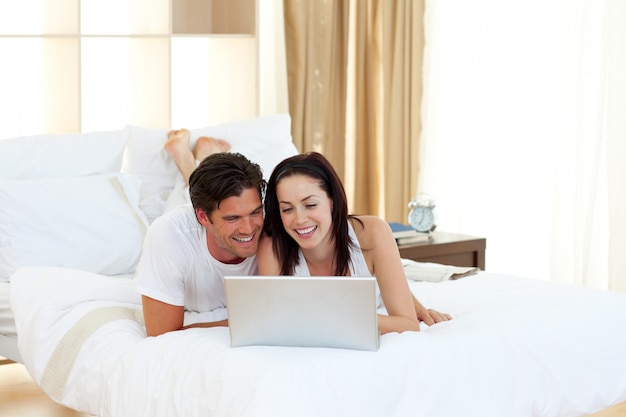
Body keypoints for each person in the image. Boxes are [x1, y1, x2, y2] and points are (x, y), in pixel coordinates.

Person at [258, 152, 451, 334]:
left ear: (332, 201)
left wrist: (332, 316)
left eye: (310, 205)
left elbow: (408, 325)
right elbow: (273, 321)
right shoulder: (272, 248)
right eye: (287, 209)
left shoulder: (373, 232)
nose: (299, 219)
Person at [135, 129, 266, 337]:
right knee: (183, 201)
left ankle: (202, 158)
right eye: (233, 218)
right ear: (203, 218)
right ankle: (186, 159)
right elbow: (162, 334)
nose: (249, 229)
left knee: (205, 197)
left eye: (255, 212)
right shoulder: (170, 233)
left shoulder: (274, 227)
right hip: (187, 224)